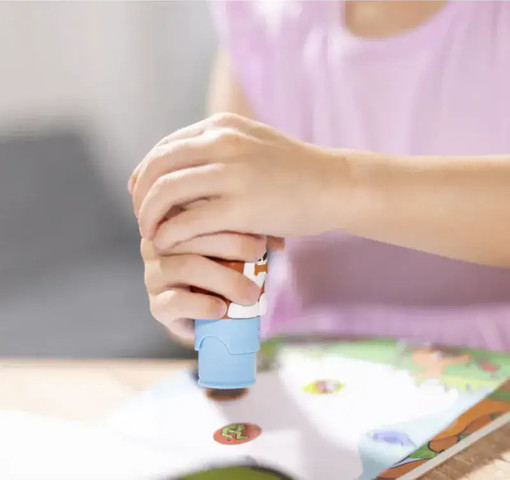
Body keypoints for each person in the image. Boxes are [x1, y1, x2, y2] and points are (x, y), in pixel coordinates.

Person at [128, 1, 510, 351]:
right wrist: (194, 288)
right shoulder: (265, 25)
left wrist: (333, 185)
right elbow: (227, 248)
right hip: (303, 365)